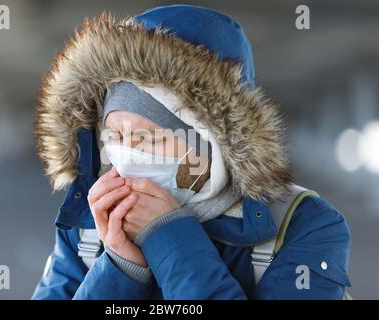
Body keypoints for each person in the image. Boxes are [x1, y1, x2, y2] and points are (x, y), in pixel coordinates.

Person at [31, 4, 351, 300]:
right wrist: (119, 267)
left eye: (150, 139)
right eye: (115, 136)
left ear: (210, 142)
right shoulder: (88, 226)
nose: (127, 157)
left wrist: (167, 237)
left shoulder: (303, 226)